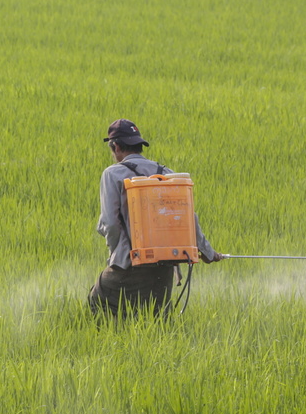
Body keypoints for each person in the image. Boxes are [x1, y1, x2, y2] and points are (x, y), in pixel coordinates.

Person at [87, 119, 223, 318]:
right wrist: (208, 252)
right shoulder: (166, 173)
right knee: (156, 319)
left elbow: (110, 222)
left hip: (129, 263)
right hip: (164, 266)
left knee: (99, 306)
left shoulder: (112, 174)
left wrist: (117, 257)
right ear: (139, 145)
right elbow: (187, 218)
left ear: (115, 146)